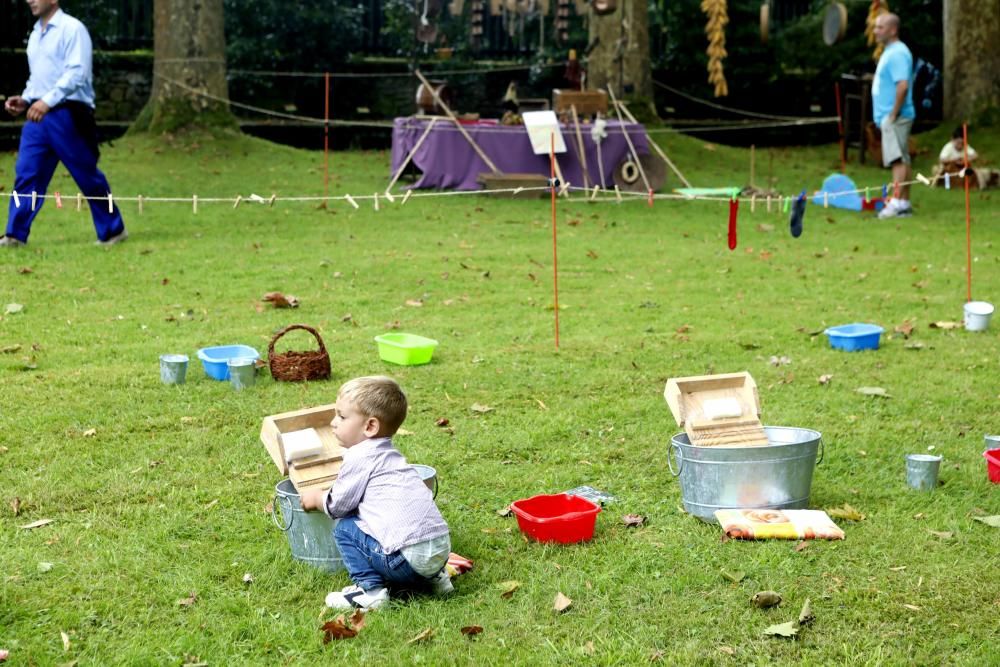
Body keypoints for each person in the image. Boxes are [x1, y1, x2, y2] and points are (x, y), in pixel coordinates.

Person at [300, 376, 452, 611]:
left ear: (370, 426)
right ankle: (436, 580)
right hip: (441, 550)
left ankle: (370, 592)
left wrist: (317, 498)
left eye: (341, 416)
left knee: (346, 528)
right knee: (391, 522)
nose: (333, 422)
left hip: (407, 560)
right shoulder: (392, 456)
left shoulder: (360, 456)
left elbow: (337, 506)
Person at [2, 0, 127, 247]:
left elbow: (77, 73)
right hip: (38, 114)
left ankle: (114, 230)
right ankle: (15, 234)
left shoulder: (73, 29)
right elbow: (38, 76)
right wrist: (26, 99)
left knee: (87, 174)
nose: (30, 0)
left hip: (69, 113)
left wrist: (47, 101)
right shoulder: (36, 34)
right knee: (27, 174)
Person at [871, 12, 915, 220]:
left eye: (880, 27)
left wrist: (892, 114)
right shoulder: (890, 51)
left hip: (895, 117)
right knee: (903, 159)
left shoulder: (897, 53)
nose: (875, 31)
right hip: (891, 116)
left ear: (893, 30)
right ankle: (904, 203)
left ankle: (896, 201)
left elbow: (902, 86)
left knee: (897, 159)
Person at [934, 127, 999, 190]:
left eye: (962, 143)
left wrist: (966, 160)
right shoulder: (948, 147)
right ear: (952, 140)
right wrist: (954, 160)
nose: (960, 146)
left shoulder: (966, 146)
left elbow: (975, 155)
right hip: (951, 171)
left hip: (963, 169)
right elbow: (941, 160)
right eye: (958, 143)